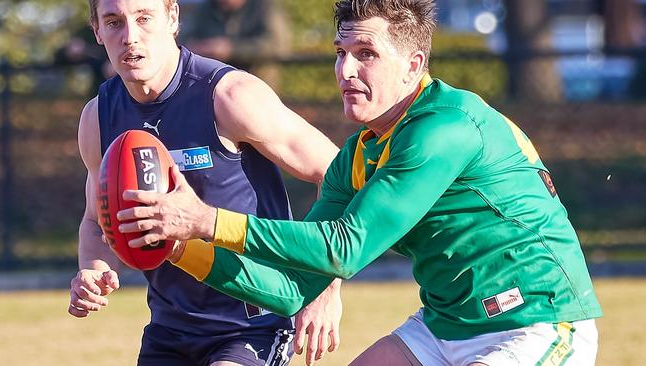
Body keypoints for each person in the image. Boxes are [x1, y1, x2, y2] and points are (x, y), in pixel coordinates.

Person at [118, 0, 603, 365]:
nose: (345, 70)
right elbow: (293, 288)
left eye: (366, 53)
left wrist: (204, 220)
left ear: (414, 64)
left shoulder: (444, 129)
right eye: (341, 52)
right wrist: (179, 247)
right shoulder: (358, 153)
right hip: (445, 325)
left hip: (538, 322)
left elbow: (343, 249)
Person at [66, 0, 342, 365]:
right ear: (97, 30)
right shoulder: (99, 117)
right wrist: (94, 271)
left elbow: (337, 174)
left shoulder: (229, 95)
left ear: (173, 18)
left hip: (256, 322)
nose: (131, 37)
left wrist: (325, 286)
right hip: (170, 328)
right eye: (114, 22)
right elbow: (96, 222)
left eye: (144, 18)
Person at [180, 0, 290, 88]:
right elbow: (182, 39)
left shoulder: (264, 6)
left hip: (256, 88)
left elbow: (277, 45)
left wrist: (232, 49)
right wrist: (198, 48)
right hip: (210, 90)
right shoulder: (205, 8)